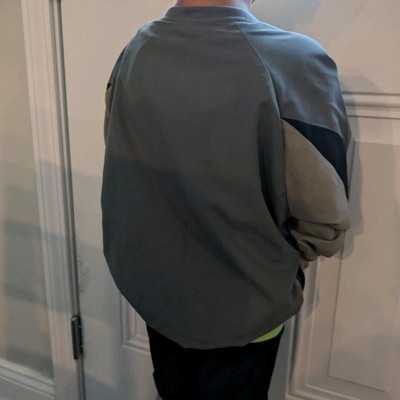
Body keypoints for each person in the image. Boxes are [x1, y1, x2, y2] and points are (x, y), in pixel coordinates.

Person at [101, 0, 352, 398]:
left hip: (157, 293)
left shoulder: (135, 51)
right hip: (246, 301)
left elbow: (123, 168)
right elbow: (323, 214)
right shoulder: (295, 61)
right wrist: (278, 265)